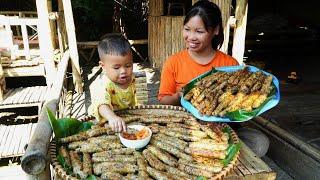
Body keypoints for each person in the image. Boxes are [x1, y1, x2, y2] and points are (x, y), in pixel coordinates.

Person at [158, 0, 269, 157]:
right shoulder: (173, 62)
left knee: (260, 142)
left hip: (223, 127)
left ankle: (217, 152)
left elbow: (238, 105)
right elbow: (163, 99)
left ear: (215, 30)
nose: (191, 37)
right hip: (186, 129)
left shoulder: (229, 64)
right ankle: (216, 154)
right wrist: (181, 96)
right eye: (187, 29)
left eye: (199, 31)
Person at [88, 33, 137, 132]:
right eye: (116, 67)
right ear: (103, 66)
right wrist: (112, 117)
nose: (123, 71)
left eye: (128, 66)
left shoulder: (132, 79)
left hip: (125, 118)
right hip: (105, 120)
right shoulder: (101, 84)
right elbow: (102, 105)